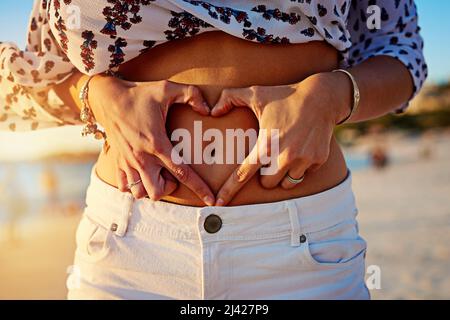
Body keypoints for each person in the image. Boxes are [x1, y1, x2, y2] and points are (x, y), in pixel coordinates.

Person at [0, 0, 427, 299]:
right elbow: (25, 78)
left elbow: (401, 51)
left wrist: (335, 95)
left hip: (305, 249)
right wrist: (93, 95)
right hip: (128, 249)